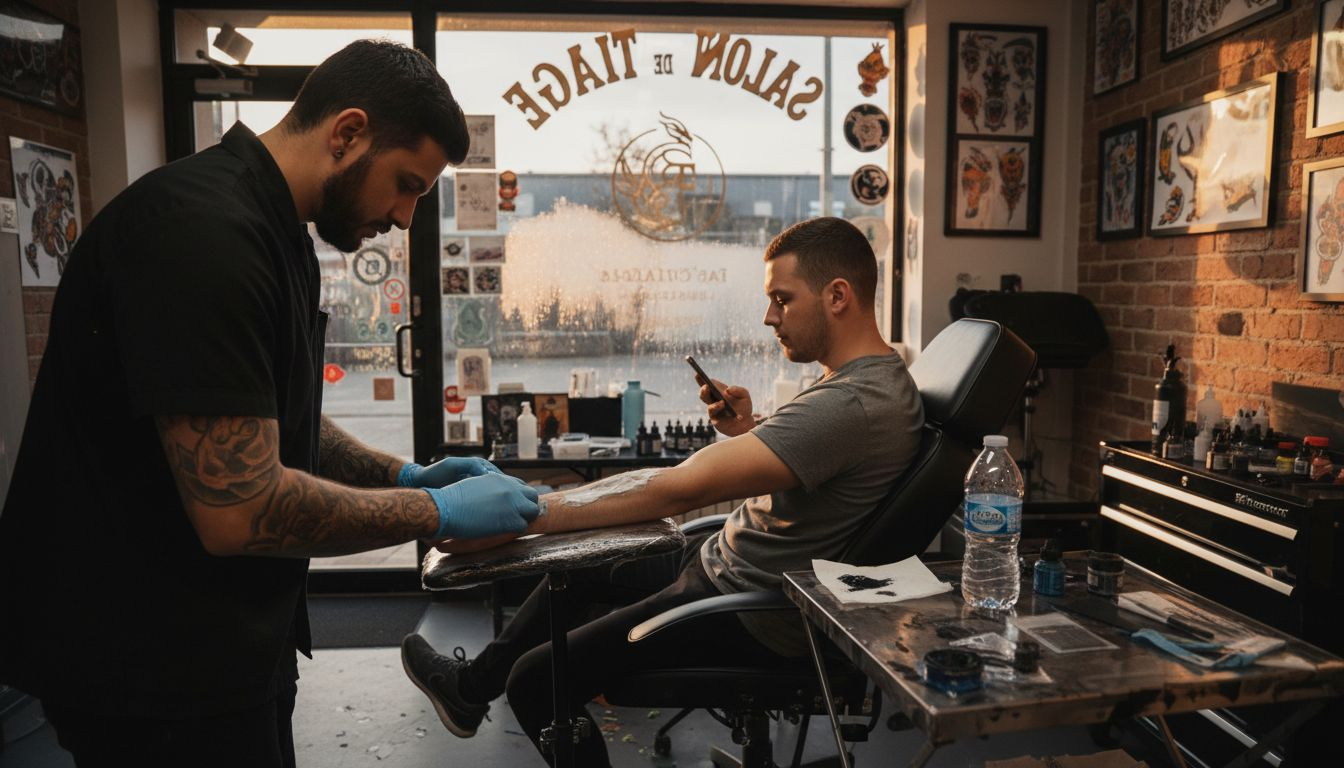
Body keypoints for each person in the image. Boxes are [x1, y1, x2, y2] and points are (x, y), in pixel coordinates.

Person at [0, 40, 540, 768]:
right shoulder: (201, 236)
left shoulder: (273, 229)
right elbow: (241, 507)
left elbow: (259, 409)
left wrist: (401, 476)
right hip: (149, 665)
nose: (407, 218)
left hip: (223, 640)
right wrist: (436, 515)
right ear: (347, 133)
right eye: (406, 184)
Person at [400, 217, 925, 765]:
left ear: (837, 295)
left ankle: (486, 683)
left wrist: (527, 511)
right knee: (582, 567)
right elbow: (828, 463)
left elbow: (676, 490)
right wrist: (753, 431)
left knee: (535, 683)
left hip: (751, 609)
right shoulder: (866, 384)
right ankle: (471, 687)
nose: (769, 317)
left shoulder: (852, 403)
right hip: (727, 566)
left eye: (782, 299)